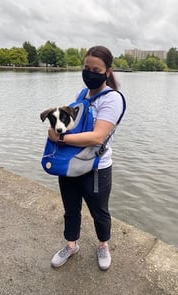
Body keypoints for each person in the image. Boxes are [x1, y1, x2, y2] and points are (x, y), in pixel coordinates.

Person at [48, 45, 125, 271]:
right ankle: (71, 245)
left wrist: (58, 139)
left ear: (107, 72)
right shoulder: (81, 95)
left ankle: (103, 244)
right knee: (70, 208)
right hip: (71, 163)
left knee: (99, 211)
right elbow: (70, 126)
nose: (89, 73)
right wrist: (55, 129)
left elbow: (97, 137)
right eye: (86, 68)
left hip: (96, 168)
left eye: (96, 69)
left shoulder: (113, 99)